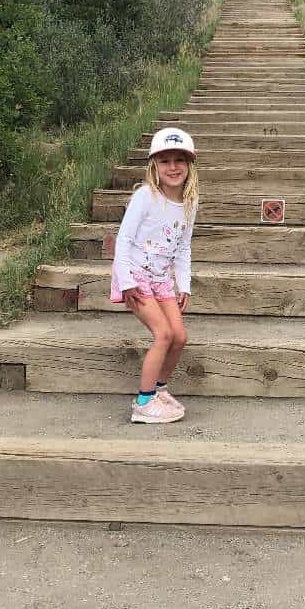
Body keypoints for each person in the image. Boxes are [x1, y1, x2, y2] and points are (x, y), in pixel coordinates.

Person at [110, 128, 199, 424]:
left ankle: (159, 389)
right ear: (154, 166)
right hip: (135, 277)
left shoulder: (189, 203)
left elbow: (184, 247)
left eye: (179, 161)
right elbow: (123, 240)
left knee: (179, 337)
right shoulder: (145, 197)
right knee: (162, 335)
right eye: (165, 161)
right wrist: (127, 281)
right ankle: (144, 403)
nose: (172, 167)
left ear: (189, 166)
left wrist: (183, 284)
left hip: (162, 280)